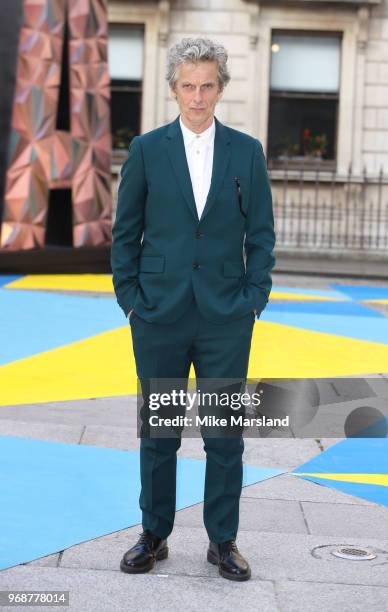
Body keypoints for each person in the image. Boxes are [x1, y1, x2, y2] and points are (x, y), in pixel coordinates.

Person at [110, 37, 276, 582]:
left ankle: (222, 541)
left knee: (223, 433)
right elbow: (125, 233)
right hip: (158, 313)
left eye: (207, 85)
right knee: (159, 430)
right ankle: (153, 535)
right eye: (188, 85)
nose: (197, 96)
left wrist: (254, 300)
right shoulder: (146, 149)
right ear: (174, 88)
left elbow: (262, 234)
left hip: (227, 315)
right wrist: (132, 301)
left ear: (221, 88)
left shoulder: (246, 152)